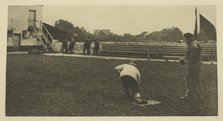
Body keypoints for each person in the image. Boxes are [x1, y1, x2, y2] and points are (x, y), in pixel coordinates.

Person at [179, 33, 203, 103]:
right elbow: (189, 56)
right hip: (193, 66)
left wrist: (184, 61)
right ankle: (190, 96)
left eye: (186, 38)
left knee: (194, 81)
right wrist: (184, 60)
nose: (185, 40)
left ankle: (197, 98)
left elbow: (193, 58)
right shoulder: (192, 44)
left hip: (195, 66)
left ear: (189, 38)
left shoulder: (194, 46)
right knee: (189, 81)